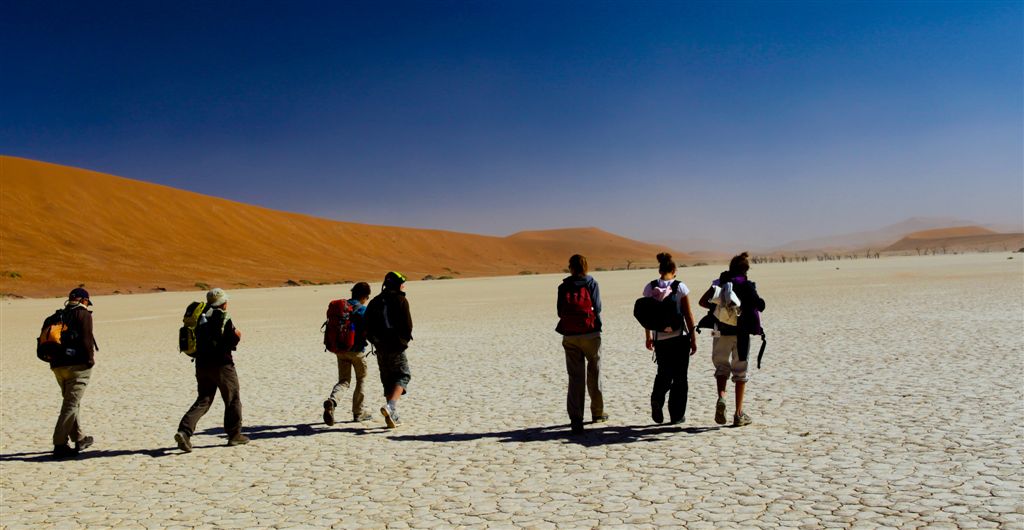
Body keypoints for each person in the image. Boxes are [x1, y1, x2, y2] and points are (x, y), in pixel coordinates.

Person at [174, 288, 248, 451]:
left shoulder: (199, 316)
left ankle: (184, 431)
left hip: (201, 364)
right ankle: (235, 435)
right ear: (223, 303)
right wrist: (238, 334)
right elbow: (232, 339)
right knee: (232, 399)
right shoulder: (222, 317)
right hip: (222, 365)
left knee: (204, 399)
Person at [698, 251, 766, 427]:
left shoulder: (719, 283)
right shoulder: (747, 285)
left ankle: (721, 397)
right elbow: (760, 305)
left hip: (720, 332)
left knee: (721, 368)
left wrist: (719, 306)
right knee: (740, 371)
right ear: (745, 270)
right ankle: (738, 414)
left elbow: (703, 302)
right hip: (741, 335)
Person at [641, 253, 697, 425]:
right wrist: (693, 338)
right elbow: (688, 315)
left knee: (663, 373)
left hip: (660, 339)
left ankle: (657, 398)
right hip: (679, 338)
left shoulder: (650, 288)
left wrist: (648, 336)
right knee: (680, 377)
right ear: (673, 270)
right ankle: (677, 415)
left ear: (660, 270)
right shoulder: (680, 287)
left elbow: (646, 316)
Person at [555, 254, 606, 434]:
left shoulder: (563, 286)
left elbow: (560, 311)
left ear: (571, 267)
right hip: (591, 334)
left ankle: (576, 418)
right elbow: (597, 307)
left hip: (570, 336)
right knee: (594, 372)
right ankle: (597, 413)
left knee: (575, 377)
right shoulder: (592, 283)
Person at [44, 288, 97, 458]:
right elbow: (87, 340)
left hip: (57, 367)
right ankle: (59, 444)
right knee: (70, 405)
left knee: (72, 403)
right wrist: (90, 361)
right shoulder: (83, 315)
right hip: (78, 368)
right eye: (87, 301)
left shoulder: (57, 316)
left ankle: (79, 438)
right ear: (83, 300)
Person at [365, 272, 413, 429]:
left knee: (387, 379)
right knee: (403, 375)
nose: (403, 286)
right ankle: (391, 406)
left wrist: (376, 342)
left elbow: (367, 327)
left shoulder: (375, 302)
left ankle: (392, 414)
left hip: (380, 347)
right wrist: (403, 341)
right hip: (396, 346)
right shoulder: (400, 300)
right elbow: (407, 325)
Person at [323, 282, 374, 425]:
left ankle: (332, 401)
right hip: (357, 352)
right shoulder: (362, 310)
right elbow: (368, 330)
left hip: (341, 351)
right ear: (364, 296)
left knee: (344, 381)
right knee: (361, 379)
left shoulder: (342, 308)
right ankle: (359, 412)